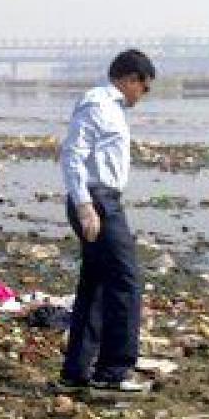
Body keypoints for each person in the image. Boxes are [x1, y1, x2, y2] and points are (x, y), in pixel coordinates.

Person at [58, 49, 156, 392]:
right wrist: (85, 206)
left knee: (96, 284)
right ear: (131, 79)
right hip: (97, 200)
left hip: (102, 199)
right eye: (143, 89)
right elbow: (72, 154)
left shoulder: (110, 107)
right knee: (125, 282)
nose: (142, 97)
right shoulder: (97, 104)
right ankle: (114, 371)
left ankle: (78, 370)